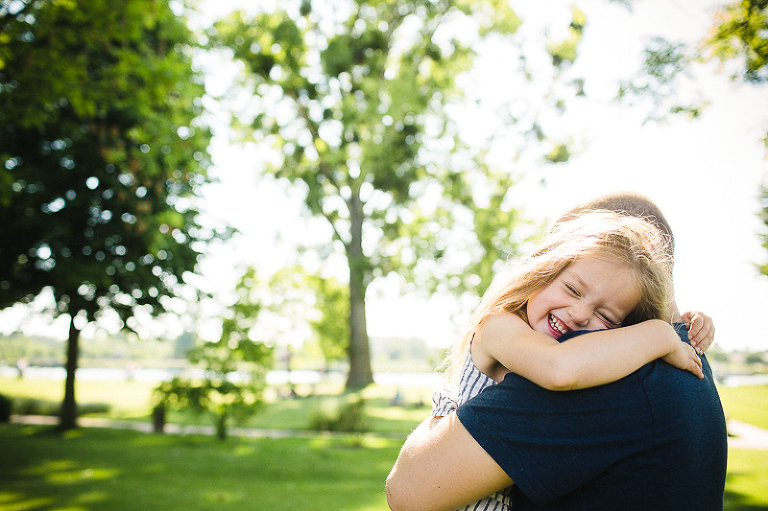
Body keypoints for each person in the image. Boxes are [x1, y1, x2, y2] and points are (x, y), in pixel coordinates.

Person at [386, 193, 728, 511]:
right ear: (543, 271)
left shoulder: (624, 370)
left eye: (607, 316)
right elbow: (559, 367)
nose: (579, 314)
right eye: (572, 287)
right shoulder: (502, 327)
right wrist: (661, 334)